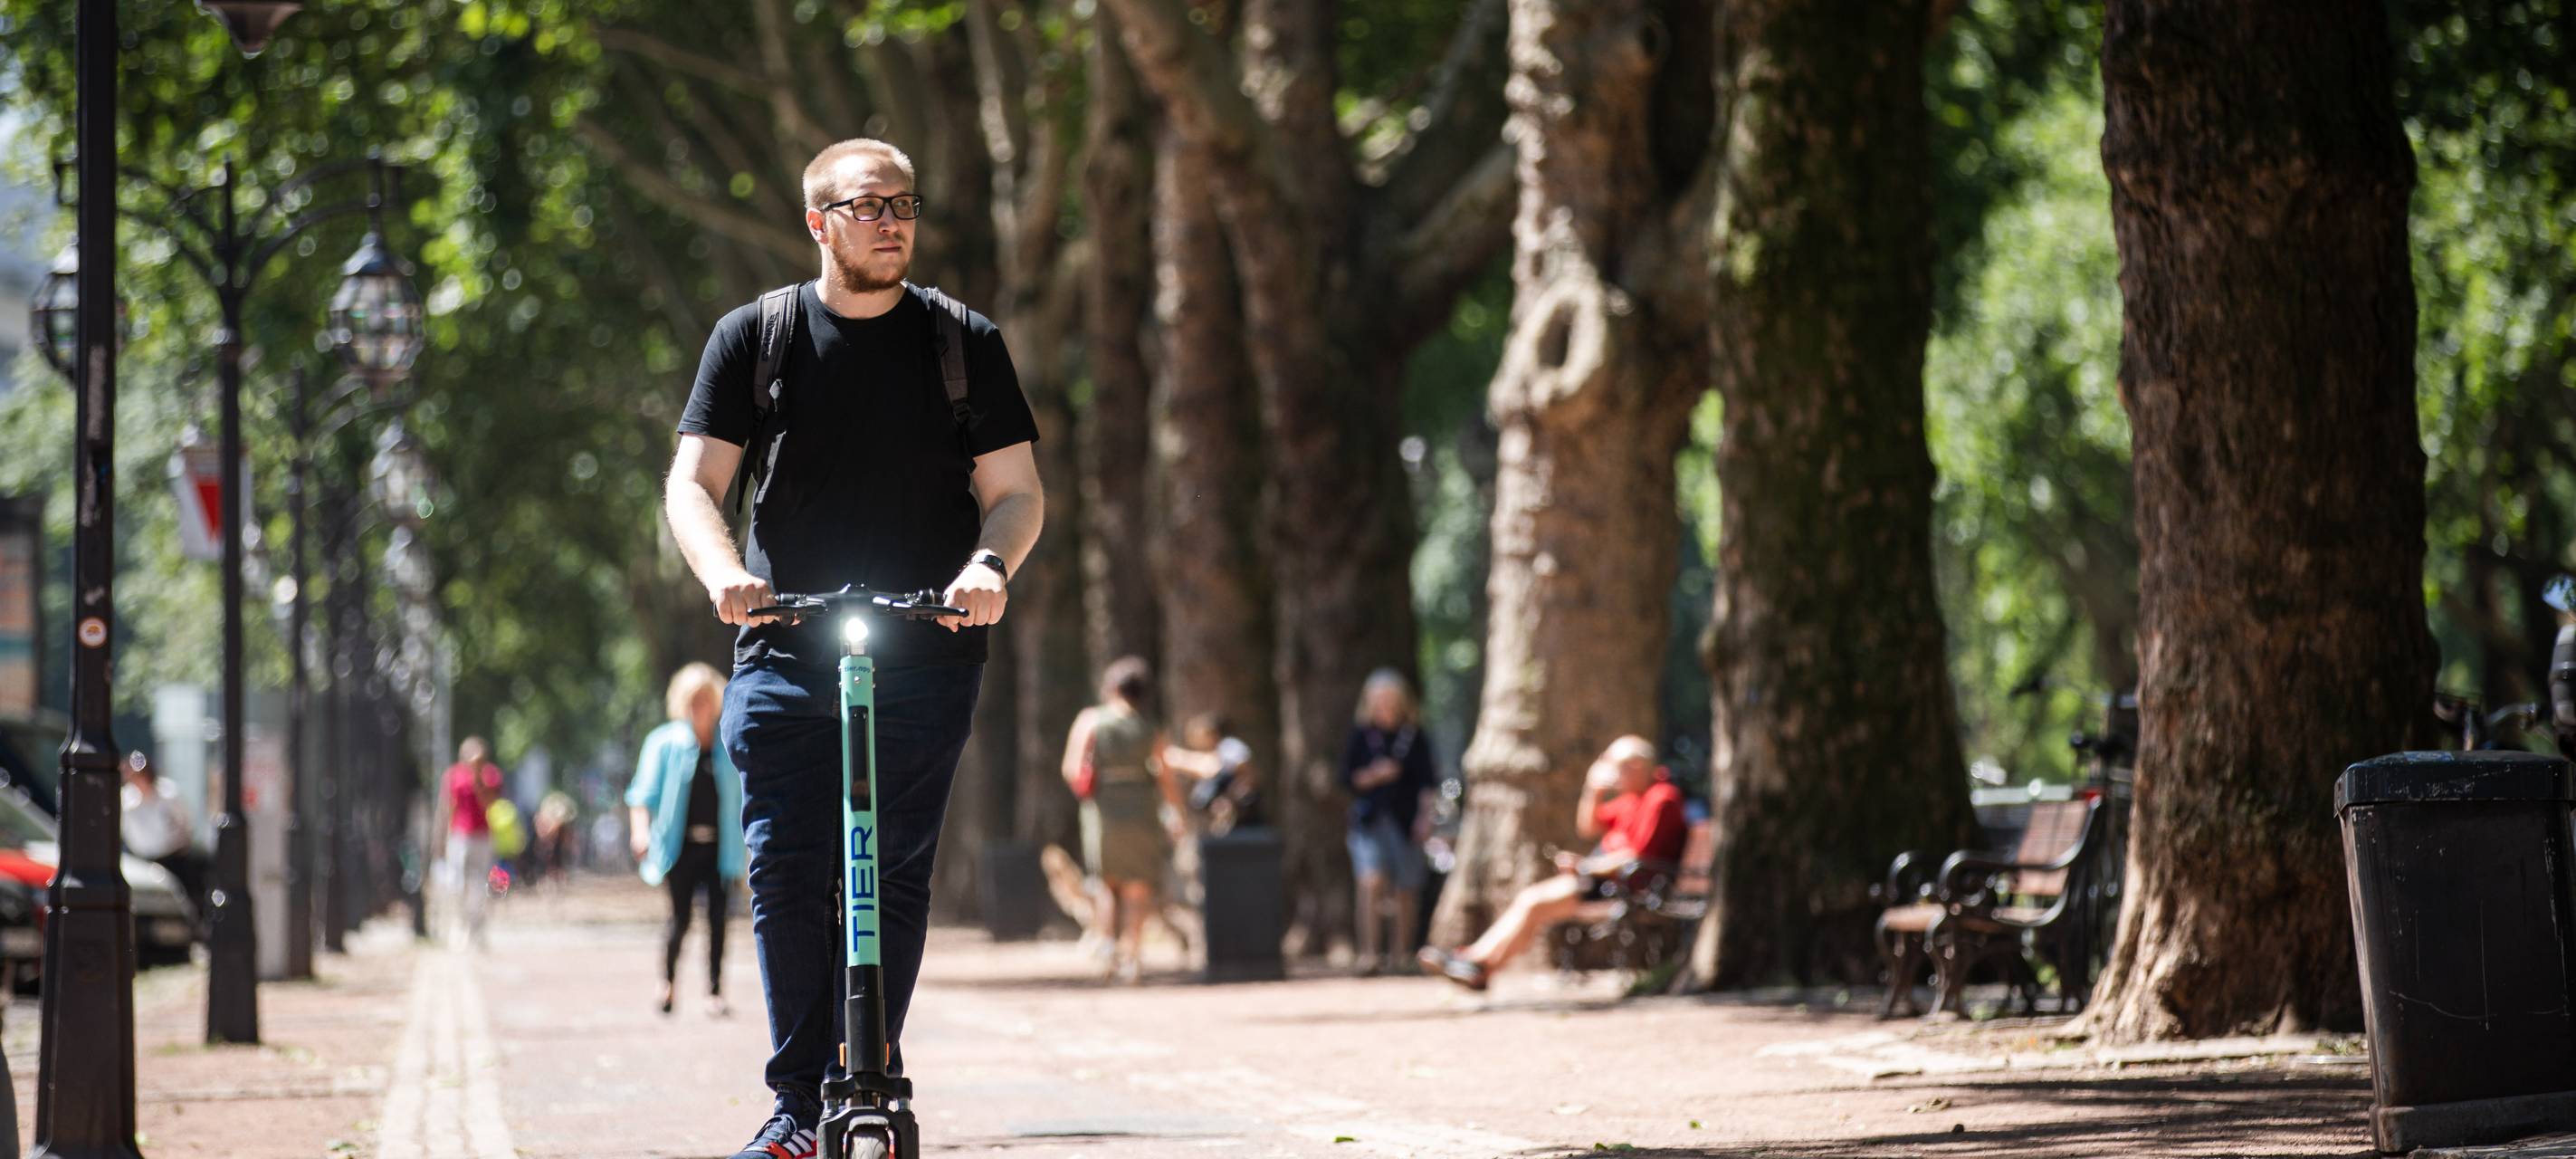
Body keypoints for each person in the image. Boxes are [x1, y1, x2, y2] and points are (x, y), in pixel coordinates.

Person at [661, 136, 1043, 1159]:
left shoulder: (962, 340)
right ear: (817, 221)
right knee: (786, 867)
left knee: (895, 867)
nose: (891, 220)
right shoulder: (759, 335)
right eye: (868, 204)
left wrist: (986, 570)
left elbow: (1014, 494)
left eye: (904, 203)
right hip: (783, 647)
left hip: (926, 646)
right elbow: (694, 485)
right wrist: (723, 574)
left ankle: (868, 1069)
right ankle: (794, 1102)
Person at [1417, 735, 1686, 991]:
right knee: (1531, 903)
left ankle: (1478, 963)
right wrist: (1593, 789)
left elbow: (1636, 857)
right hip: (1607, 882)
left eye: (1617, 767)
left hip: (1633, 887)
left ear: (1637, 766)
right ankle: (1480, 964)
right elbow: (1589, 826)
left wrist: (1586, 867)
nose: (1613, 775)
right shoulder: (1631, 798)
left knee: (1533, 903)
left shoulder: (1662, 798)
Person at [628, 662, 747, 1017]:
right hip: (677, 848)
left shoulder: (728, 744)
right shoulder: (663, 743)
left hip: (720, 849)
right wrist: (640, 832)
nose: (700, 707)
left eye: (706, 700)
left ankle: (714, 991)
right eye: (693, 700)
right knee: (679, 919)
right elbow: (640, 795)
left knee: (718, 918)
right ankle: (666, 984)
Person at [1061, 657, 1184, 982]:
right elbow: (1166, 777)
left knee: (1106, 883)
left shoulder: (1091, 720)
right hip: (1142, 808)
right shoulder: (1149, 727)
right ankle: (1133, 955)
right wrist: (1176, 815)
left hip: (1104, 809)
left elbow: (1072, 770)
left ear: (1111, 687)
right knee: (1138, 887)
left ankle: (1106, 949)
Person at [1341, 669, 1437, 976]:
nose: (1383, 704)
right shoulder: (1361, 735)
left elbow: (1428, 782)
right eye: (1377, 699)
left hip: (1406, 820)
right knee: (1370, 881)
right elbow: (1346, 778)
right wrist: (1374, 775)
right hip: (1370, 820)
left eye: (1389, 698)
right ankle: (1368, 954)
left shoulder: (1414, 735)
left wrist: (1425, 818)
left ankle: (1401, 955)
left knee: (1406, 888)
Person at [434, 737, 505, 948]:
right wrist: (440, 837)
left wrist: (478, 781)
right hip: (459, 836)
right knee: (456, 884)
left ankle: (477, 931)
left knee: (481, 886)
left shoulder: (491, 775)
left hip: (482, 837)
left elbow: (491, 804)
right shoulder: (453, 776)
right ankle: (459, 925)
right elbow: (447, 807)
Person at [119, 752, 203, 914]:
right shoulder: (126, 800)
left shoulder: (168, 794)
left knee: (186, 899)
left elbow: (184, 820)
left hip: (173, 858)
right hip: (143, 861)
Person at [1163, 713, 1260, 836]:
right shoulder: (1214, 752)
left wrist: (1231, 797)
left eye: (1198, 736)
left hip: (1240, 810)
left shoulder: (1229, 746)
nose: (1195, 741)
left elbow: (1243, 769)